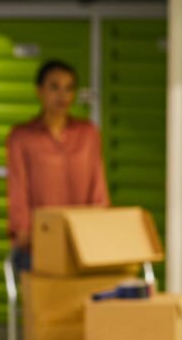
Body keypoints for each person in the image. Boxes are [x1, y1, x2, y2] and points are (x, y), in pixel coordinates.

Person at [6, 60, 109, 271]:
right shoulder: (21, 137)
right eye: (54, 87)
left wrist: (101, 227)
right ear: (39, 91)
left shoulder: (88, 133)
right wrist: (23, 233)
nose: (62, 95)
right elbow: (17, 189)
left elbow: (98, 187)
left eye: (69, 88)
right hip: (39, 242)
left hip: (81, 241)